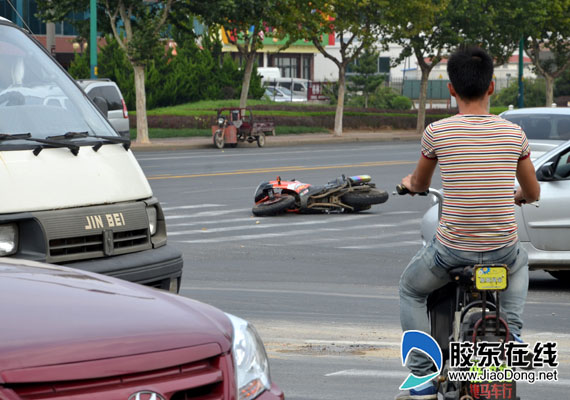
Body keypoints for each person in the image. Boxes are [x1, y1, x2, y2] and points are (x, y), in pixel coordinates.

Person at [395, 46, 540, 400]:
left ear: (451, 89)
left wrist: (408, 185)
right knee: (520, 260)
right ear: (492, 87)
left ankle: (424, 378)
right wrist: (519, 196)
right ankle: (514, 333)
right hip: (502, 252)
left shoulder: (438, 133)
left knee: (410, 289)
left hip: (451, 252)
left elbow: (421, 182)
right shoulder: (514, 134)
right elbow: (532, 191)